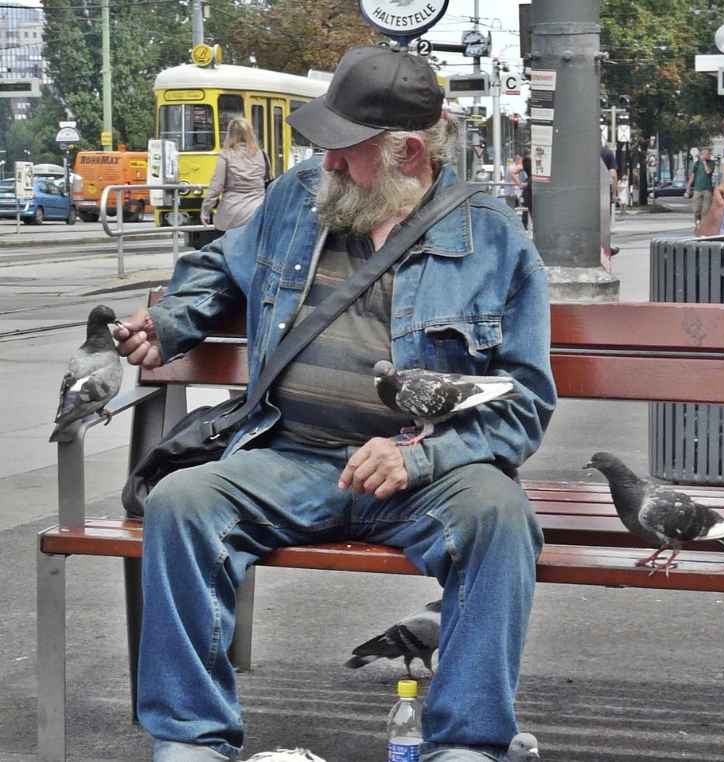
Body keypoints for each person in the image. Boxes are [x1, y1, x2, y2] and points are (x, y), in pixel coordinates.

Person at [114, 44, 556, 762]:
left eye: (346, 148)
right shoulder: (299, 198)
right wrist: (170, 323)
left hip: (427, 473)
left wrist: (420, 457)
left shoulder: (492, 239)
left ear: (408, 151)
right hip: (291, 454)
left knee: (500, 518)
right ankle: (191, 738)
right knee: (182, 502)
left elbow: (526, 402)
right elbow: (218, 266)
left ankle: (466, 743)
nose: (328, 162)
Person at [200, 116, 268, 232]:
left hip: (231, 213)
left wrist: (205, 211)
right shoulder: (262, 154)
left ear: (230, 134)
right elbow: (268, 181)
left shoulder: (225, 155)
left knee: (225, 242)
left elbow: (216, 186)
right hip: (258, 211)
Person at [685, 148, 715, 229]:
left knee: (706, 210)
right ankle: (697, 223)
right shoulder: (697, 163)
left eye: (709, 154)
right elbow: (692, 176)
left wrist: (704, 162)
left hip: (707, 189)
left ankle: (703, 227)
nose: (709, 155)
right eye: (707, 154)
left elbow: (708, 171)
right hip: (697, 189)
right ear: (703, 154)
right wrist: (688, 187)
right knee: (696, 209)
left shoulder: (711, 163)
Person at [600, 145, 618, 209]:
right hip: (605, 192)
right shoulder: (607, 152)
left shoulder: (583, 152)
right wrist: (614, 193)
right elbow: (613, 175)